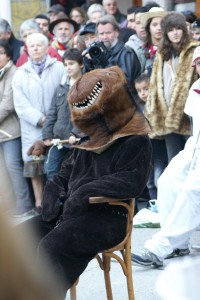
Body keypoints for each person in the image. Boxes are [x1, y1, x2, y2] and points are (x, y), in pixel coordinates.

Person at [23, 66, 152, 299]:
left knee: (53, 246)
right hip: (70, 212)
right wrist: (53, 192)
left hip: (108, 217)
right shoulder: (88, 140)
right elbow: (65, 173)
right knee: (19, 238)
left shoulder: (135, 140)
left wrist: (85, 192)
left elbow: (132, 181)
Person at [131, 45, 200, 267]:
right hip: (195, 147)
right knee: (167, 180)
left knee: (192, 190)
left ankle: (159, 248)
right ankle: (179, 245)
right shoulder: (196, 88)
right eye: (198, 63)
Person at [12, 33, 65, 213]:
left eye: (39, 45)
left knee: (55, 164)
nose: (35, 48)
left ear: (46, 47)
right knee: (35, 165)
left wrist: (51, 119)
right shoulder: (20, 73)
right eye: (32, 46)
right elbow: (20, 103)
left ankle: (56, 199)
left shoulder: (59, 67)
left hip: (56, 123)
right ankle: (39, 203)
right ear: (27, 48)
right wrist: (40, 119)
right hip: (32, 126)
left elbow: (64, 94)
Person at [144, 12, 200, 163]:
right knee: (173, 163)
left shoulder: (194, 49)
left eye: (178, 29)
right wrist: (151, 110)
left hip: (189, 115)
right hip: (166, 115)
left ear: (184, 30)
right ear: (165, 33)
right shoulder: (162, 54)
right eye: (170, 30)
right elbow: (155, 85)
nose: (175, 33)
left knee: (192, 161)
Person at [0, 39, 33, 216]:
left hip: (11, 131)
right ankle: (7, 203)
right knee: (1, 170)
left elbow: (7, 103)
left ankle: (24, 203)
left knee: (13, 166)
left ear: (9, 55)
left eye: (1, 53)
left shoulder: (13, 72)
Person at [42, 48, 84, 180]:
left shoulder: (87, 87)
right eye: (65, 65)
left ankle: (73, 200)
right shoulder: (60, 88)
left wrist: (76, 133)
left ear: (81, 64)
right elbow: (52, 113)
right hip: (59, 140)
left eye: (71, 64)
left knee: (76, 173)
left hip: (78, 141)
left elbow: (87, 115)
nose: (68, 67)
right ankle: (56, 199)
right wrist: (47, 134)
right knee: (51, 169)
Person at [85, 15, 141, 91]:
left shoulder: (126, 52)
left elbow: (125, 82)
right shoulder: (101, 52)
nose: (104, 37)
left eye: (108, 33)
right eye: (101, 34)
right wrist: (89, 65)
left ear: (117, 32)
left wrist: (105, 63)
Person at [140, 7, 168, 75]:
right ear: (148, 28)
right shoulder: (142, 51)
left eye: (162, 24)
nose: (159, 28)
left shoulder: (171, 49)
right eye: (155, 25)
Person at [126, 6, 148, 73]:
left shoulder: (158, 44)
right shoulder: (129, 48)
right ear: (134, 25)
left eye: (144, 22)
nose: (142, 26)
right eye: (138, 23)